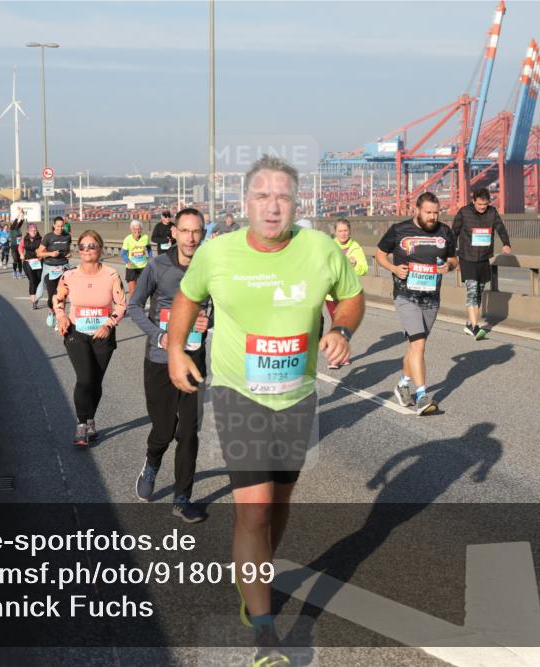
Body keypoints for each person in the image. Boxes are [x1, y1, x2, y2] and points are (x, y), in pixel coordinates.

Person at [168, 155, 364, 665]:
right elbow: (188, 298)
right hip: (238, 394)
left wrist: (342, 328)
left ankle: (252, 575)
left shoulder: (320, 249)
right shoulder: (217, 253)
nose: (272, 207)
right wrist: (175, 350)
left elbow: (352, 297)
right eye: (262, 196)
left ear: (296, 204)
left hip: (297, 396)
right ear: (245, 203)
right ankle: (264, 630)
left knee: (278, 505)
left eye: (282, 197)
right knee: (253, 507)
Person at [127, 208, 211, 523]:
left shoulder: (210, 268)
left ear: (203, 233)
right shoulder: (157, 266)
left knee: (188, 432)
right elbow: (133, 306)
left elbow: (219, 309)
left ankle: (182, 498)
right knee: (164, 431)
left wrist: (208, 321)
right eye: (185, 231)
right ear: (173, 232)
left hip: (193, 358)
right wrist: (160, 337)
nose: (191, 237)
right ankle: (152, 463)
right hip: (160, 360)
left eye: (197, 231)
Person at [376, 191, 458, 415]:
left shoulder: (445, 231)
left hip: (431, 298)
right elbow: (380, 254)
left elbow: (453, 259)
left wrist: (448, 267)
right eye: (428, 212)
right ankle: (422, 396)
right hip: (406, 295)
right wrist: (394, 268)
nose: (433, 217)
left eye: (436, 212)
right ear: (417, 210)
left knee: (415, 346)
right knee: (419, 344)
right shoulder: (399, 230)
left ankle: (403, 384)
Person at [54, 230, 127, 446]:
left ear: (100, 248)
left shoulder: (111, 274)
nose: (87, 250)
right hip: (77, 332)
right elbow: (58, 298)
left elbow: (121, 304)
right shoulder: (69, 275)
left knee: (96, 381)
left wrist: (109, 324)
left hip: (103, 334)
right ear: (79, 250)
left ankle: (91, 419)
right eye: (83, 246)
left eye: (92, 246)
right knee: (84, 378)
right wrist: (61, 316)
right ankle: (81, 424)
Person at [452, 187, 512, 339]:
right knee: (472, 291)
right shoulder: (464, 212)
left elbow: (500, 227)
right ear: (473, 201)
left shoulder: (492, 212)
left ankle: (469, 323)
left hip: (484, 258)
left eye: (484, 205)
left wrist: (506, 243)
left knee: (478, 292)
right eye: (479, 205)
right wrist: (452, 255)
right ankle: (475, 326)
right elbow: (454, 233)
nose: (482, 208)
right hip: (467, 257)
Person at [325, 218, 369, 368]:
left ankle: (339, 356)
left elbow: (364, 269)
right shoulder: (329, 246)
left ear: (349, 231)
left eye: (345, 231)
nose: (343, 234)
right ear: (335, 232)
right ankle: (337, 357)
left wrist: (355, 264)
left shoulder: (356, 248)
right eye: (340, 231)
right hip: (331, 294)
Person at [39, 216, 73, 328]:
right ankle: (51, 311)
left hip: (63, 267)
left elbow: (67, 250)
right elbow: (39, 253)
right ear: (54, 225)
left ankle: (60, 319)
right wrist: (50, 254)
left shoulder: (67, 236)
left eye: (62, 226)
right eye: (58, 226)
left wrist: (68, 254)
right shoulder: (48, 237)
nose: (60, 228)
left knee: (62, 295)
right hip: (50, 269)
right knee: (52, 296)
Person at [121, 219, 152, 299]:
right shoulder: (127, 239)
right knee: (132, 290)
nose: (137, 231)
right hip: (132, 268)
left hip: (143, 267)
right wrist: (128, 261)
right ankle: (132, 308)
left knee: (142, 289)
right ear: (131, 229)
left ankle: (140, 306)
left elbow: (149, 248)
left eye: (139, 229)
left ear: (141, 229)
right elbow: (123, 254)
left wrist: (151, 258)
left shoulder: (145, 237)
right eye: (134, 229)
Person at [21, 223, 44, 308]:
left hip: (38, 262)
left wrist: (41, 255)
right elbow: (20, 247)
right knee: (32, 281)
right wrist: (21, 254)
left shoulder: (41, 239)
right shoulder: (25, 239)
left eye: (35, 230)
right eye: (31, 230)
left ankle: (36, 298)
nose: (33, 232)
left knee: (38, 281)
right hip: (28, 262)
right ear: (28, 231)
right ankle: (33, 302)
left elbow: (45, 248)